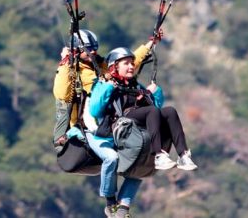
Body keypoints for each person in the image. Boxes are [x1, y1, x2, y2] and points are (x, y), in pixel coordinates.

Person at [89, 47, 197, 217]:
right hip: (121, 124)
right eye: (126, 63)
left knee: (169, 111)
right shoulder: (105, 84)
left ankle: (183, 154)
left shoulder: (135, 86)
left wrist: (154, 92)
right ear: (114, 67)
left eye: (132, 63)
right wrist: (108, 87)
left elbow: (156, 108)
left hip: (138, 126)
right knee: (152, 112)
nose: (131, 66)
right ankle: (159, 154)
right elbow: (95, 111)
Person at [52, 30, 153, 150]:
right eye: (89, 48)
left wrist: (149, 45)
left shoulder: (98, 64)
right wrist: (66, 62)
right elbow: (63, 94)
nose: (94, 51)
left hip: (106, 116)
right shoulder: (78, 71)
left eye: (95, 48)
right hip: (88, 123)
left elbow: (124, 66)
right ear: (77, 51)